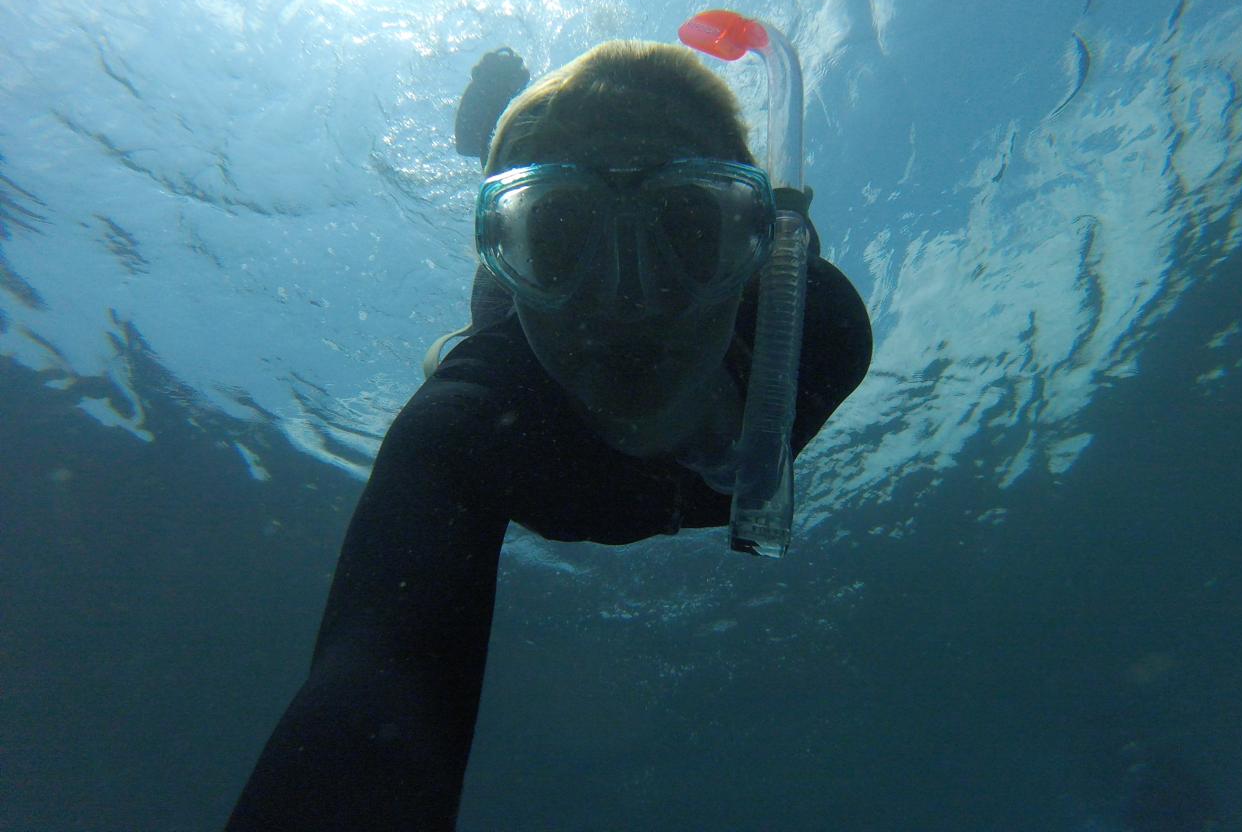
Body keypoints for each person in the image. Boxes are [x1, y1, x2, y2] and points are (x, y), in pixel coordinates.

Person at [226, 41, 873, 830]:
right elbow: (370, 698)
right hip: (514, 339)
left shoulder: (817, 331)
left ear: (755, 243)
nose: (630, 298)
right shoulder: (471, 426)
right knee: (494, 286)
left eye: (688, 229)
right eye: (562, 237)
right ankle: (500, 150)